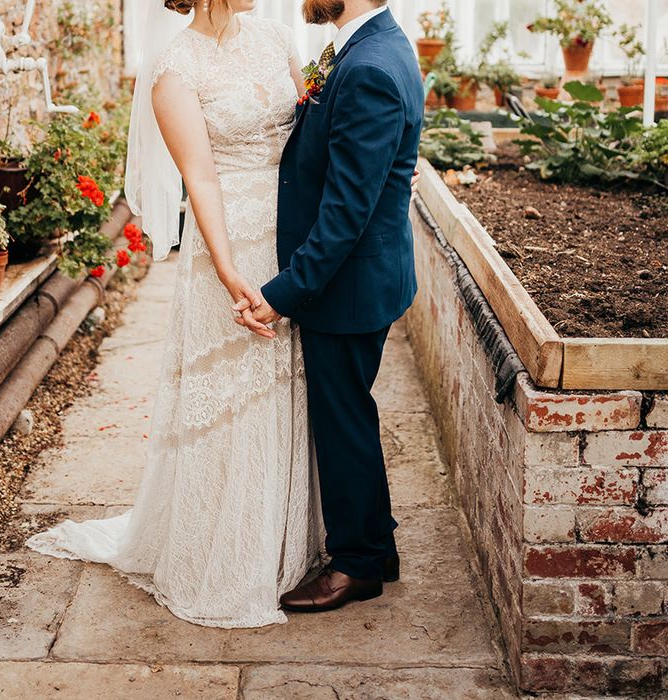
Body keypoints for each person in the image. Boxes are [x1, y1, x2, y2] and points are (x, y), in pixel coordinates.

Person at [26, 0, 326, 628]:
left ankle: (286, 542)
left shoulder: (277, 39)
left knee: (288, 389)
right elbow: (202, 181)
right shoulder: (174, 70)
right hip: (230, 244)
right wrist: (227, 270)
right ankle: (226, 556)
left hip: (296, 240)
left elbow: (309, 138)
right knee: (234, 397)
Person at [235, 0, 425, 612]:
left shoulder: (368, 65)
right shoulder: (370, 47)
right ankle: (376, 546)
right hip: (364, 277)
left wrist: (282, 294)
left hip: (346, 286)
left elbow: (346, 213)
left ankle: (355, 565)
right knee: (352, 416)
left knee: (342, 423)